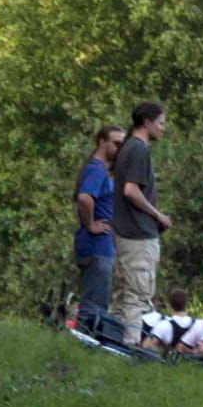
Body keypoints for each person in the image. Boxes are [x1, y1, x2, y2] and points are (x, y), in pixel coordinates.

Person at [111, 101, 171, 346]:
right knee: (138, 295)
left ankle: (109, 342)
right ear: (147, 123)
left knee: (122, 295)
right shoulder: (138, 150)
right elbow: (131, 190)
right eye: (160, 123)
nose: (163, 129)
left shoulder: (126, 148)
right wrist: (158, 215)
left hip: (124, 233)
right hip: (138, 235)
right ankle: (130, 346)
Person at [73, 124, 124, 338]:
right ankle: (86, 343)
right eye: (117, 143)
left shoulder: (101, 171)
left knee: (97, 300)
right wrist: (91, 224)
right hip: (96, 245)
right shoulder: (96, 170)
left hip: (100, 245)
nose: (120, 148)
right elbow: (84, 198)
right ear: (102, 142)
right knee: (94, 304)